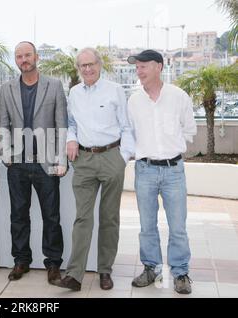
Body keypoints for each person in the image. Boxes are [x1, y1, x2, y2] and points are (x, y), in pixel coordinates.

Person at [56, 47, 134, 291]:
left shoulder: (115, 91)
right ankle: (74, 275)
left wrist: (123, 157)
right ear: (78, 69)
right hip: (84, 160)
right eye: (83, 66)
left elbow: (127, 127)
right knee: (83, 218)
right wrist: (70, 138)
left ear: (99, 65)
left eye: (91, 64)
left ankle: (105, 271)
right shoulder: (75, 92)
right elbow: (71, 123)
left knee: (109, 218)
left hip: (111, 156)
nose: (87, 69)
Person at [127, 50, 197, 294]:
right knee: (147, 225)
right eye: (137, 66)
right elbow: (130, 134)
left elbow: (189, 130)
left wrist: (173, 150)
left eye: (143, 65)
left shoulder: (178, 96)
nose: (139, 70)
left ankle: (180, 273)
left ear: (159, 66)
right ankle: (150, 268)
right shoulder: (134, 101)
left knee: (177, 226)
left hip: (173, 171)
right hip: (144, 170)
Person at [0, 41, 68, 285]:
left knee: (52, 216)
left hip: (46, 163)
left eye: (27, 55)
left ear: (36, 57)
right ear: (15, 60)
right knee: (18, 215)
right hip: (17, 164)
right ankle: (21, 261)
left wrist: (61, 159)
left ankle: (53, 264)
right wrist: (5, 154)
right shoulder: (6, 88)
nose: (23, 59)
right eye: (19, 56)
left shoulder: (54, 85)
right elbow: (4, 124)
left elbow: (61, 125)